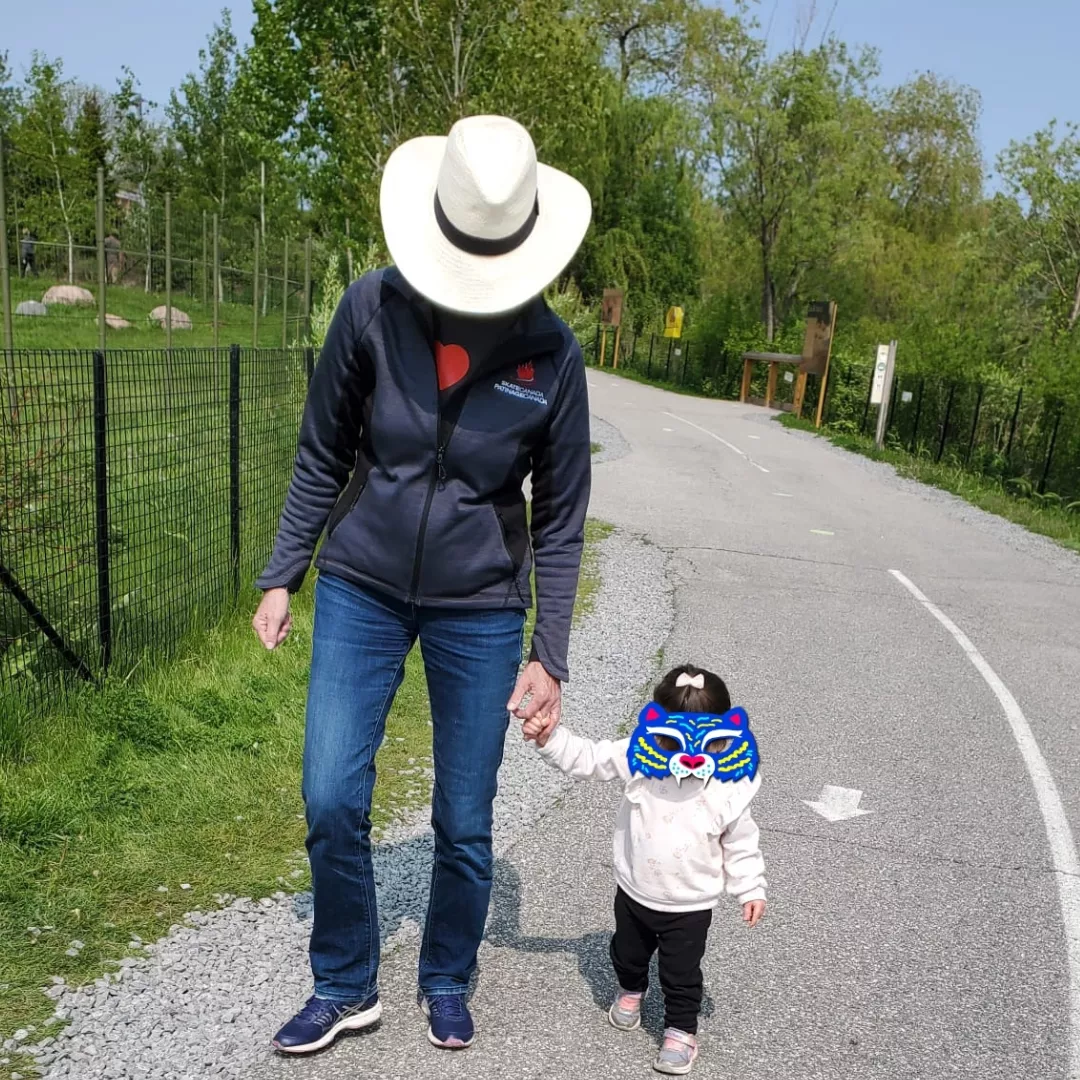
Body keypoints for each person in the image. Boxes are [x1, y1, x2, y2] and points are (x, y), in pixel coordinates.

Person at [252, 115, 593, 1055]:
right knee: (329, 794)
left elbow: (560, 518)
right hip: (361, 582)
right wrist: (284, 573)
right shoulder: (371, 309)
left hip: (482, 609)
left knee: (464, 816)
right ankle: (344, 981)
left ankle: (446, 973)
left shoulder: (553, 359)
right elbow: (323, 452)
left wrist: (549, 654)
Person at [524, 665, 767, 1076]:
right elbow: (591, 758)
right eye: (669, 741)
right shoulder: (641, 756)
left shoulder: (727, 784)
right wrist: (551, 739)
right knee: (627, 954)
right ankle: (631, 990)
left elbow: (741, 841)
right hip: (635, 890)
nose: (683, 756)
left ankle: (680, 1032)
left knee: (681, 973)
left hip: (691, 904)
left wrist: (751, 888)